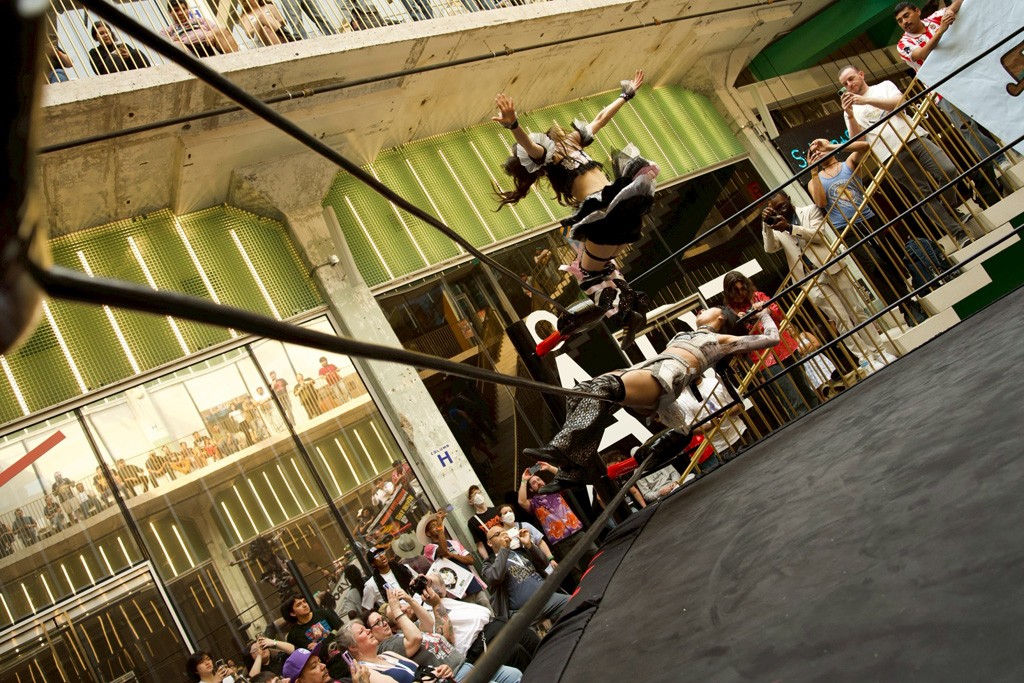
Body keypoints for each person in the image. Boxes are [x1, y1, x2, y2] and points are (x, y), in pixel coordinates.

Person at [524, 301, 782, 489]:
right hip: (650, 369)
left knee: (605, 386)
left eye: (710, 309)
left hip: (667, 377)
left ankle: (563, 450)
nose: (701, 311)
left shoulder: (722, 340)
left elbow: (772, 339)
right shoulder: (686, 334)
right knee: (582, 391)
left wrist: (765, 315)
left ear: (721, 317)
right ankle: (572, 469)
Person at [492, 70, 660, 347]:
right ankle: (630, 310)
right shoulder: (549, 157)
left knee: (591, 275)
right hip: (617, 213)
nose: (559, 128)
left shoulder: (575, 141)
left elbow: (601, 118)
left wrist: (626, 94)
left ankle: (628, 314)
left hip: (610, 212)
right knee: (601, 270)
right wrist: (513, 124)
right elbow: (529, 145)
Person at [838, 64, 971, 249]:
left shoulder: (884, 86)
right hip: (889, 155)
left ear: (861, 74)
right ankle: (957, 232)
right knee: (923, 195)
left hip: (913, 137)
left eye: (851, 78)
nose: (849, 84)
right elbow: (858, 141)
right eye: (845, 84)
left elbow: (900, 103)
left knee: (948, 170)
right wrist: (850, 115)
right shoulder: (850, 111)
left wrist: (866, 101)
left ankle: (949, 208)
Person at [760, 191, 894, 370]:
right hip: (809, 279)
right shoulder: (776, 226)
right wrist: (766, 225)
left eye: (782, 205)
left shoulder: (810, 210)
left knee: (856, 311)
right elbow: (770, 248)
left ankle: (879, 351)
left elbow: (818, 235)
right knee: (840, 319)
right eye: (776, 209)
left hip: (831, 267)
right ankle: (865, 359)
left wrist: (790, 228)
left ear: (789, 200)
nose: (781, 211)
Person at [807, 138, 928, 326]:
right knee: (874, 265)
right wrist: (813, 171)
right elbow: (821, 202)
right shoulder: (814, 180)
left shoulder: (848, 163)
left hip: (869, 220)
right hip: (846, 229)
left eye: (820, 148)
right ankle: (906, 305)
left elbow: (865, 146)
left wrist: (829, 147)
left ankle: (908, 298)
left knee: (888, 259)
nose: (818, 153)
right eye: (813, 152)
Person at [893, 0, 1010, 171]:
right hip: (941, 90)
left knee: (994, 106)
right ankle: (998, 158)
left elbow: (960, 2)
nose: (905, 22)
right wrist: (941, 30)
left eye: (906, 15)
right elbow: (921, 54)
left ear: (917, 11)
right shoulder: (903, 44)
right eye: (900, 20)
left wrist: (951, 10)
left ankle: (1016, 145)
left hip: (966, 74)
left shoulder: (935, 18)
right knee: (965, 126)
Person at [369, 586, 523, 683]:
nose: (383, 623)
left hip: (466, 665)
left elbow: (429, 624)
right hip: (457, 675)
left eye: (383, 620)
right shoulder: (389, 646)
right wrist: (396, 609)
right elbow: (416, 637)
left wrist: (410, 600)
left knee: (514, 674)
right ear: (396, 623)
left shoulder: (409, 630)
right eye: (378, 623)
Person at [723, 272, 819, 422]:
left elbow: (779, 314)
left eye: (742, 288)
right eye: (736, 291)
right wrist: (739, 322)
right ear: (729, 292)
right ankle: (806, 424)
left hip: (785, 346)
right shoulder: (729, 312)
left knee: (804, 387)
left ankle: (820, 414)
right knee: (790, 397)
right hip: (764, 358)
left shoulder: (758, 296)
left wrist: (766, 310)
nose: (741, 293)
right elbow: (734, 339)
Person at [481, 525, 568, 625]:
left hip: (547, 597)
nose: (503, 534)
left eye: (504, 532)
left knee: (576, 602)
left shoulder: (518, 552)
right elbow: (495, 576)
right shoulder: (489, 564)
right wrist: (503, 549)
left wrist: (529, 545)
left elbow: (544, 563)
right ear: (489, 543)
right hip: (524, 611)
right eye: (498, 534)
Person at [418, 511, 492, 610]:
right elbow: (443, 550)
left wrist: (452, 555)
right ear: (428, 533)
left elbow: (470, 560)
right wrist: (440, 526)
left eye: (438, 524)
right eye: (433, 526)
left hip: (472, 583)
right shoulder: (429, 548)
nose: (437, 527)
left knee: (488, 609)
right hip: (457, 591)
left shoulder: (453, 543)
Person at [336, 620, 452, 683]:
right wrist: (431, 676)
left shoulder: (387, 654)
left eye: (365, 628)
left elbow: (421, 671)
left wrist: (439, 670)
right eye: (361, 632)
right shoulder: (365, 673)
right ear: (353, 647)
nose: (368, 630)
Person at [516, 465, 583, 551]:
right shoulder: (533, 502)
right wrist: (524, 480)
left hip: (577, 531)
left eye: (539, 479)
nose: (538, 482)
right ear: (531, 489)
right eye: (534, 483)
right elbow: (521, 501)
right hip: (561, 542)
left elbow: (566, 477)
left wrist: (549, 467)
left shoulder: (555, 490)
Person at [162, 0, 239, 58]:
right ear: (170, 13)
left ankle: (236, 57)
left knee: (221, 31)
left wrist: (211, 32)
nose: (180, 13)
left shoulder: (200, 20)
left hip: (208, 43)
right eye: (176, 10)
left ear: (187, 10)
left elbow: (216, 28)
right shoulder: (169, 30)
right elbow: (162, 43)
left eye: (183, 9)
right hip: (189, 50)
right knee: (176, 45)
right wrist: (172, 39)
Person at [495, 504, 556, 575]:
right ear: (501, 519)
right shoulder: (502, 536)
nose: (509, 514)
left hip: (540, 562)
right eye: (505, 513)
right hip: (524, 571)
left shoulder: (526, 526)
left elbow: (540, 542)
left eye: (510, 511)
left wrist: (551, 559)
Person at [361, 545, 415, 610]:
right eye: (376, 556)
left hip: (417, 606)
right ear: (372, 564)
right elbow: (366, 608)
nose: (381, 556)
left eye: (381, 552)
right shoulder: (371, 585)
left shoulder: (403, 568)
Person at [465, 485, 501, 559]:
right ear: (470, 501)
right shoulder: (473, 522)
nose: (478, 496)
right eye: (474, 494)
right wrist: (488, 561)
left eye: (479, 493)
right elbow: (480, 545)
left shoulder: (496, 510)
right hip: (495, 554)